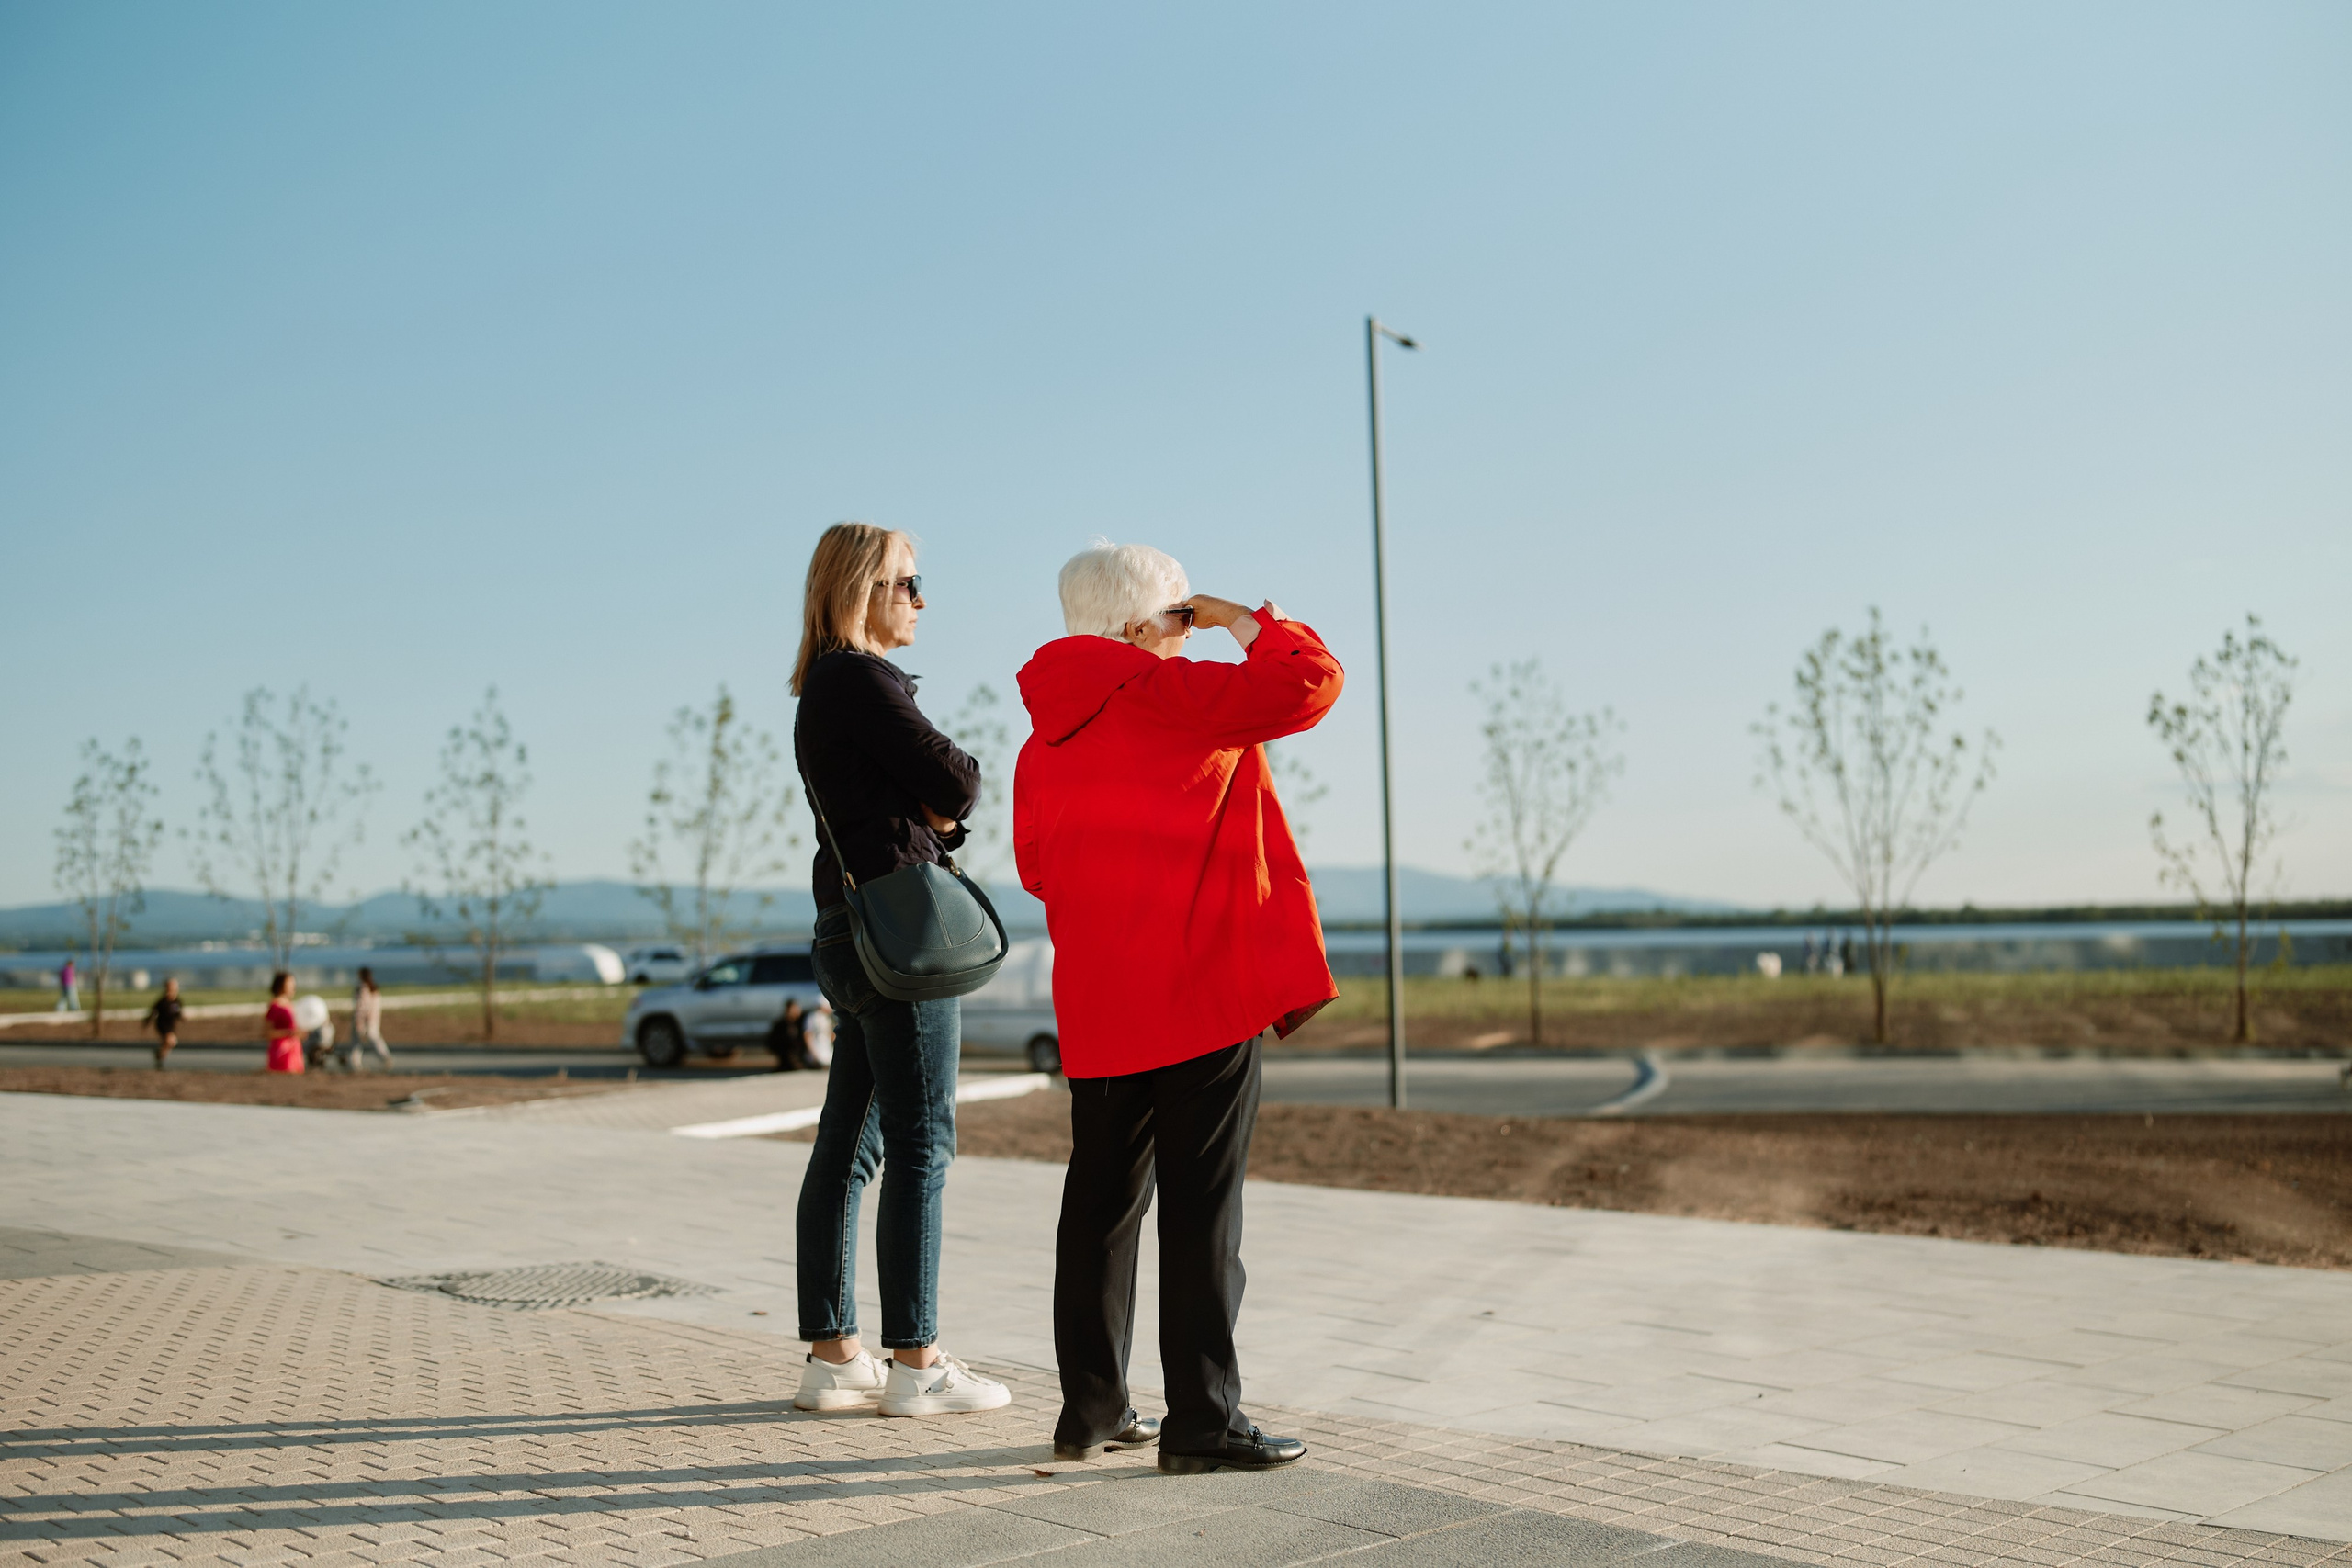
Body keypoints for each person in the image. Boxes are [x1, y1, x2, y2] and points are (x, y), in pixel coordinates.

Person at [1014, 541, 1343, 1473]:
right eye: (1177, 618)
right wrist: (1244, 620)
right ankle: (1202, 1422)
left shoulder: (1041, 741)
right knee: (1203, 1216)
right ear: (1134, 626)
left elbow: (1039, 867)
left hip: (1100, 1004)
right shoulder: (1170, 699)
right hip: (1200, 996)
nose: (1186, 635)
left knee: (1100, 1208)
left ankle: (1092, 1409)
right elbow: (1309, 683)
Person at [788, 521, 1007, 1419]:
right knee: (922, 1143)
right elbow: (957, 784)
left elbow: (929, 800)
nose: (921, 600)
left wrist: (937, 814)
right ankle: (916, 1361)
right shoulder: (863, 678)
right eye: (909, 583)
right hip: (899, 933)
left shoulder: (823, 685)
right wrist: (946, 812)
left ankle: (836, 1355)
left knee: (851, 1141)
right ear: (864, 590)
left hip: (849, 929)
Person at [346, 968, 392, 1071]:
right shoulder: (374, 988)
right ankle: (385, 1057)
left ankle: (355, 1062)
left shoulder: (363, 989)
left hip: (363, 1020)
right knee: (375, 1039)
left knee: (357, 1042)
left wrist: (358, 1020)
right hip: (373, 1020)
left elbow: (362, 1006)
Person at [264, 972, 303, 1074]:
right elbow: (267, 1032)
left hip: (294, 1049)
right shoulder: (275, 1006)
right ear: (281, 985)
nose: (293, 987)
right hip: (281, 1051)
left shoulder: (290, 1004)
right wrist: (288, 1032)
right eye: (290, 984)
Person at [144, 977, 185, 1069]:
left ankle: (159, 1056)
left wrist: (182, 1017)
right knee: (170, 1041)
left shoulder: (177, 1001)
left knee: (170, 1044)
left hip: (171, 1025)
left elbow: (178, 1012)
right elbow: (154, 1011)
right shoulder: (163, 1002)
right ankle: (159, 1056)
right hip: (162, 1025)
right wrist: (147, 1021)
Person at [769, 998, 807, 1072]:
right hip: (785, 1057)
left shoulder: (802, 1023)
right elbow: (771, 1042)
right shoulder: (780, 1025)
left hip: (801, 1057)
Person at [802, 1000, 835, 1068]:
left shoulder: (827, 1018)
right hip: (818, 1053)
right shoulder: (812, 1017)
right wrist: (813, 1053)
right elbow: (807, 1035)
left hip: (827, 1053)